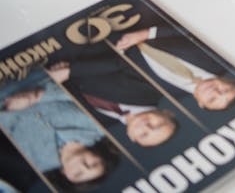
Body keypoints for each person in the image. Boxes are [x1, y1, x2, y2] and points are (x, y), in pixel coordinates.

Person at [0, 72, 122, 187]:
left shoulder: (34, 165)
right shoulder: (97, 127)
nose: (84, 166)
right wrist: (37, 96)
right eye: (93, 165)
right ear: (100, 157)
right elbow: (79, 93)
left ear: (65, 175)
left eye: (78, 174)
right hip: (34, 76)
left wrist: (9, 109)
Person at [46, 59, 179, 147]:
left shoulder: (98, 123)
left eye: (144, 134)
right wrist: (71, 71)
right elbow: (121, 59)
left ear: (131, 137)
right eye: (158, 125)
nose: (147, 127)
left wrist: (58, 80)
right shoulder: (152, 86)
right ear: (167, 113)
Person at [115, 26, 235, 111]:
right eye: (225, 90)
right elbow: (194, 28)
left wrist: (120, 50)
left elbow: (124, 70)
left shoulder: (164, 94)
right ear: (233, 81)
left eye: (212, 99)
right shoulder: (221, 57)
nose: (214, 92)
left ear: (201, 104)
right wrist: (146, 33)